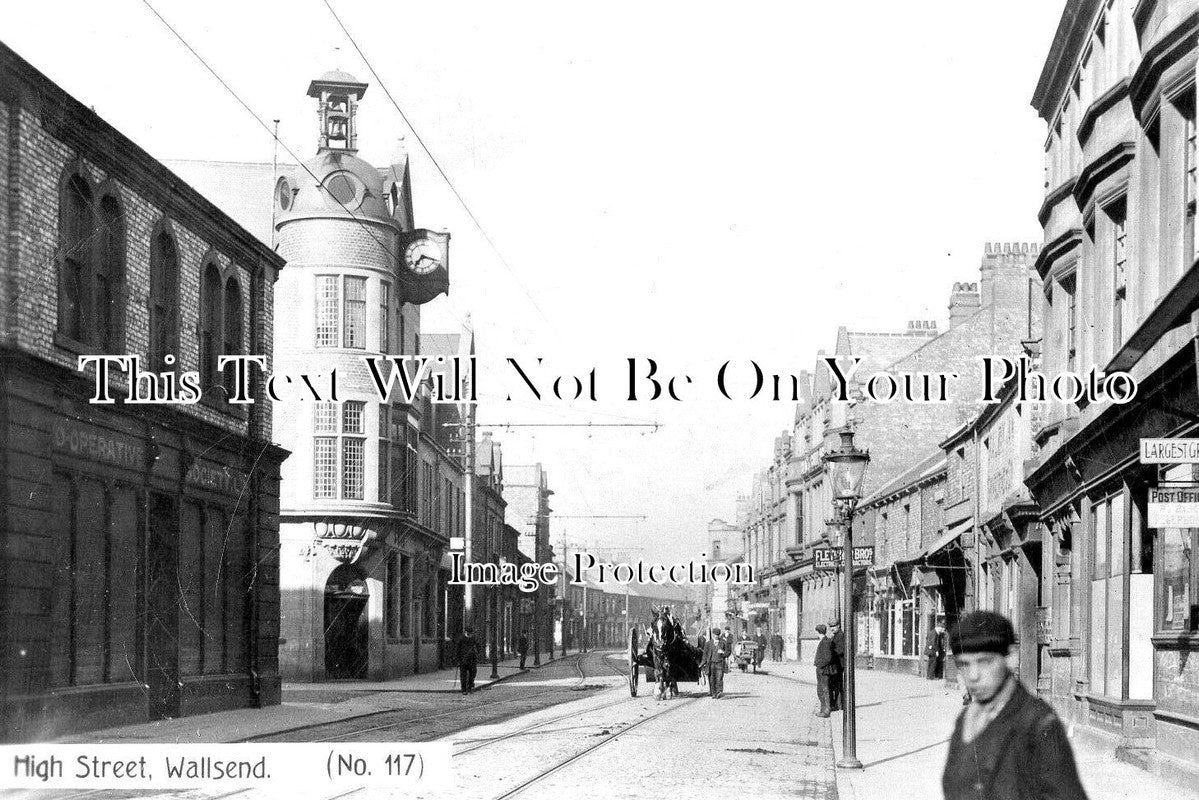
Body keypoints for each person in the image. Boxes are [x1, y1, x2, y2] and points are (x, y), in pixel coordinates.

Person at [942, 611, 1087, 800]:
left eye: (984, 661)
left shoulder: (1039, 724)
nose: (973, 676)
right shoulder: (965, 719)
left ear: (1010, 657)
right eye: (965, 665)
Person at [813, 624, 834, 717]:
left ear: (819, 632)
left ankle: (826, 710)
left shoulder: (825, 642)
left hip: (823, 670)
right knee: (821, 689)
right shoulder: (824, 641)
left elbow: (827, 658)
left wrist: (819, 664)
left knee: (824, 689)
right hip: (822, 669)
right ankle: (823, 709)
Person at [700, 626, 726, 698]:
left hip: (719, 663)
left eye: (717, 635)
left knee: (719, 678)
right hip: (711, 664)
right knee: (712, 679)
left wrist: (723, 652)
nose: (716, 636)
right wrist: (702, 663)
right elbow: (705, 654)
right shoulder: (708, 643)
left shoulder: (723, 643)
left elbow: (728, 652)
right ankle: (713, 693)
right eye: (715, 635)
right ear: (713, 635)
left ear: (719, 635)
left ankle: (719, 692)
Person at [456, 626, 481, 694]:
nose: (470, 635)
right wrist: (458, 660)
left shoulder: (473, 639)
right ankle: (464, 689)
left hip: (472, 660)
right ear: (466, 632)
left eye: (471, 633)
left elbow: (478, 646)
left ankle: (470, 686)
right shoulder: (461, 639)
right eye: (469, 633)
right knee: (463, 676)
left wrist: (477, 653)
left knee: (473, 674)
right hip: (463, 660)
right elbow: (457, 650)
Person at [828, 620, 845, 712]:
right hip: (837, 664)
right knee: (836, 685)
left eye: (833, 626)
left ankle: (839, 705)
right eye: (830, 627)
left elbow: (840, 650)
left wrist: (831, 652)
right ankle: (838, 704)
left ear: (838, 626)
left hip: (839, 664)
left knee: (837, 685)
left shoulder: (841, 636)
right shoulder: (836, 636)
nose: (831, 628)